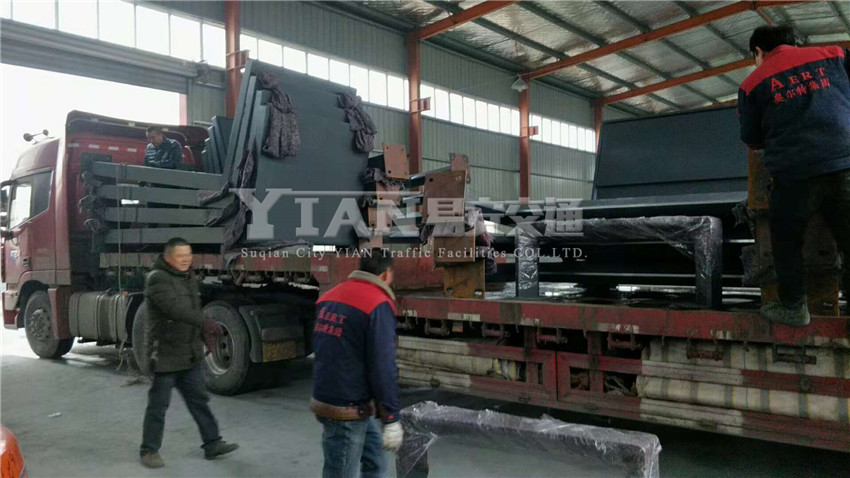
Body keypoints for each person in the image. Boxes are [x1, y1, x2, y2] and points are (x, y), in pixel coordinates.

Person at [738, 25, 850, 326]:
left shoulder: (752, 84)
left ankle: (794, 307)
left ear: (758, 51)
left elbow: (752, 140)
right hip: (844, 163)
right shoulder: (835, 55)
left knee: (786, 240)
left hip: (795, 173)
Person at [139, 238, 239, 468]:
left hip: (189, 353)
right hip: (165, 355)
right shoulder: (157, 279)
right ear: (167, 257)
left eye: (188, 255)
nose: (186, 260)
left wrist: (203, 335)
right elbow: (174, 309)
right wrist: (205, 322)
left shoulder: (188, 277)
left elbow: (193, 310)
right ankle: (149, 450)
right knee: (158, 406)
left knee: (199, 400)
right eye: (180, 256)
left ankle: (212, 443)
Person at [310, 250, 404, 478]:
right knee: (341, 472)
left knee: (376, 462)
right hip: (346, 407)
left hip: (335, 396)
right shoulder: (377, 303)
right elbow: (382, 366)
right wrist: (391, 417)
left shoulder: (330, 296)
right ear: (386, 274)